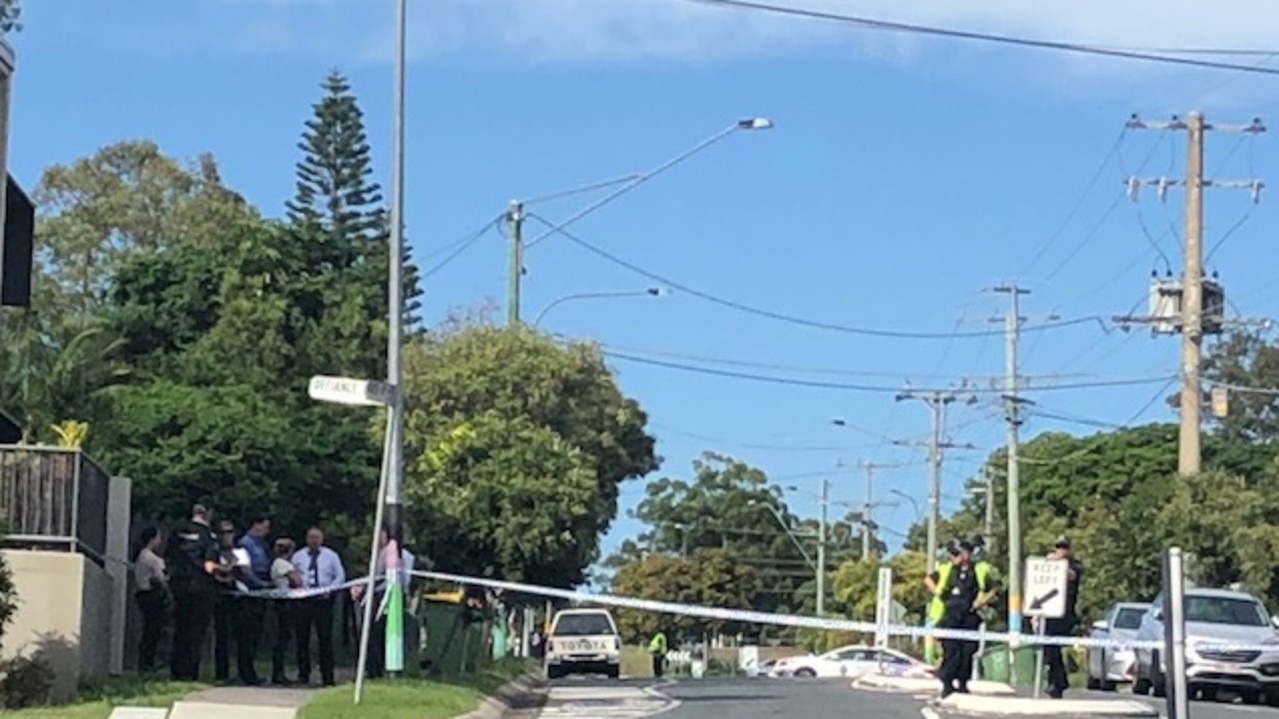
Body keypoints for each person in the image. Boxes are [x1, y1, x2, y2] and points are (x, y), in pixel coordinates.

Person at [928, 540, 996, 698]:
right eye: (954, 554)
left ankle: (963, 683)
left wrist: (981, 602)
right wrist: (940, 594)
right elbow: (928, 580)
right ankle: (947, 683)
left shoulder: (979, 569)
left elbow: (993, 588)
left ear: (968, 554)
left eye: (958, 553)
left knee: (967, 651)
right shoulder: (947, 569)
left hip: (969, 615)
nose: (955, 556)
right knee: (951, 650)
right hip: (950, 615)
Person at [352, 525, 416, 679]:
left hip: (383, 596)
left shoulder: (389, 553)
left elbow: (379, 576)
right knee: (376, 635)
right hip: (387, 595)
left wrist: (364, 590)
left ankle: (376, 670)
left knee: (374, 634)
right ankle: (377, 669)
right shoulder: (397, 554)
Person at [167, 503, 220, 681]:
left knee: (180, 630)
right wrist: (227, 567)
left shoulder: (178, 531)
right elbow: (209, 566)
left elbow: (170, 557)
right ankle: (190, 672)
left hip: (179, 587)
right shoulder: (209, 536)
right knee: (196, 632)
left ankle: (176, 671)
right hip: (200, 588)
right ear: (208, 513)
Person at [292, 526, 346, 686]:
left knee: (325, 638)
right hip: (303, 599)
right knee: (302, 638)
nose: (314, 541)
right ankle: (303, 674)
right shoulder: (298, 556)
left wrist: (330, 589)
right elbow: (292, 574)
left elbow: (340, 575)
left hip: (324, 600)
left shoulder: (331, 556)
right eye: (311, 537)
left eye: (317, 538)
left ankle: (327, 676)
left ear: (322, 539)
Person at [212, 519, 261, 685]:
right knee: (222, 638)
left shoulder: (240, 552)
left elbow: (246, 572)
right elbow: (216, 573)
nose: (227, 536)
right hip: (222, 598)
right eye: (223, 532)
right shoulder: (213, 552)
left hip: (241, 598)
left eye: (230, 532)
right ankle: (222, 675)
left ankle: (247, 674)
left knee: (245, 638)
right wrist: (227, 570)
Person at [1043, 535, 1084, 699]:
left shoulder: (1075, 566)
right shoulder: (1050, 563)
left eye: (1064, 547)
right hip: (1049, 613)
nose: (1061, 550)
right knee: (1049, 648)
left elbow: (1071, 575)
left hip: (1065, 613)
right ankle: (1057, 680)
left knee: (1054, 646)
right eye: (1058, 547)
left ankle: (1058, 681)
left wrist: (1058, 563)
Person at [134, 526, 169, 674]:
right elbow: (161, 578)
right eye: (158, 537)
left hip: (143, 594)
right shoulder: (150, 558)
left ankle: (147, 661)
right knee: (152, 630)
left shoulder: (141, 556)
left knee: (150, 629)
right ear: (152, 539)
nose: (160, 541)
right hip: (151, 595)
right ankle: (147, 662)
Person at [270, 538, 303, 685]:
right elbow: (297, 581)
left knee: (284, 638)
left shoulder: (278, 563)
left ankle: (279, 672)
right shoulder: (282, 564)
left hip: (284, 601)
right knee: (283, 638)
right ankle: (277, 673)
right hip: (285, 602)